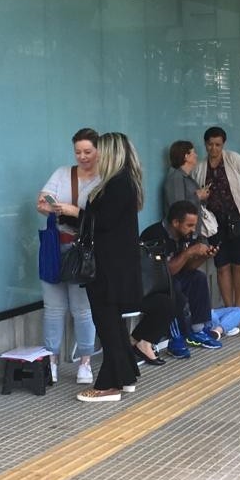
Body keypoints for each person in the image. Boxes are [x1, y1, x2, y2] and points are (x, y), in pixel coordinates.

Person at [52, 132, 144, 403]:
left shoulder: (116, 184)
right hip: (115, 263)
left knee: (106, 323)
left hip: (107, 266)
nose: (96, 157)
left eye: (100, 151)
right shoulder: (125, 181)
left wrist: (73, 212)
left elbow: (101, 223)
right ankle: (126, 375)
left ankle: (108, 385)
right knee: (112, 323)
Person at [35, 129, 102, 385]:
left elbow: (102, 219)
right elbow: (41, 201)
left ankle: (85, 362)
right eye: (78, 152)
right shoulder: (63, 173)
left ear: (98, 151)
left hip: (83, 249)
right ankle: (50, 360)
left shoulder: (103, 179)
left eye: (87, 152)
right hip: (56, 246)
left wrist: (76, 211)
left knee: (82, 309)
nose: (82, 157)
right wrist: (47, 205)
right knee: (53, 308)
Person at [140, 201, 230, 349]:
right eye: (189, 225)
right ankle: (177, 336)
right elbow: (165, 272)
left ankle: (198, 329)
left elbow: (187, 268)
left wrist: (204, 256)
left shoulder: (185, 235)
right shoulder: (155, 235)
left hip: (173, 276)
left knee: (198, 278)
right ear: (175, 222)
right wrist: (189, 252)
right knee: (173, 286)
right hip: (153, 284)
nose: (193, 230)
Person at [193, 126, 240, 308]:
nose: (213, 149)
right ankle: (228, 306)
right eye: (210, 144)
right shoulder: (200, 167)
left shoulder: (234, 159)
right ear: (205, 144)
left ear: (223, 144)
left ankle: (238, 308)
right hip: (215, 223)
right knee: (221, 265)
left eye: (217, 145)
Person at [162, 140, 209, 218]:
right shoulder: (176, 178)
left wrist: (203, 196)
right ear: (186, 156)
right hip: (182, 228)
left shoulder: (188, 177)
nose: (196, 155)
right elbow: (178, 207)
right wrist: (198, 197)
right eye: (193, 152)